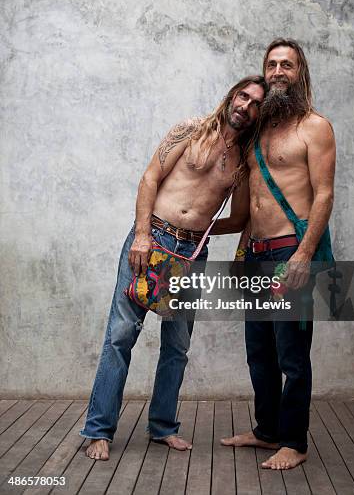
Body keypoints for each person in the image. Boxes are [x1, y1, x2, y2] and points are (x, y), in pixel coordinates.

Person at [80, 75, 267, 460]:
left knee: (177, 345)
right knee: (120, 335)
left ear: (258, 113)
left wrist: (201, 228)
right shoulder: (190, 129)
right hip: (152, 239)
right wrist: (142, 235)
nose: (245, 106)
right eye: (243, 96)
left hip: (190, 255)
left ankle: (162, 426)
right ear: (232, 94)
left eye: (255, 104)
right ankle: (98, 430)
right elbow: (150, 177)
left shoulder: (243, 164)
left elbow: (240, 217)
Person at [213, 38, 336, 470]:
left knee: (291, 354)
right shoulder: (256, 132)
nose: (279, 71)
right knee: (258, 350)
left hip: (289, 251)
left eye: (287, 64)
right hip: (256, 252)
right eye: (272, 64)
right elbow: (250, 206)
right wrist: (240, 247)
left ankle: (295, 442)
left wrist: (304, 255)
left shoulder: (314, 127)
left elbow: (323, 196)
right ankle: (267, 431)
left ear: (299, 73)